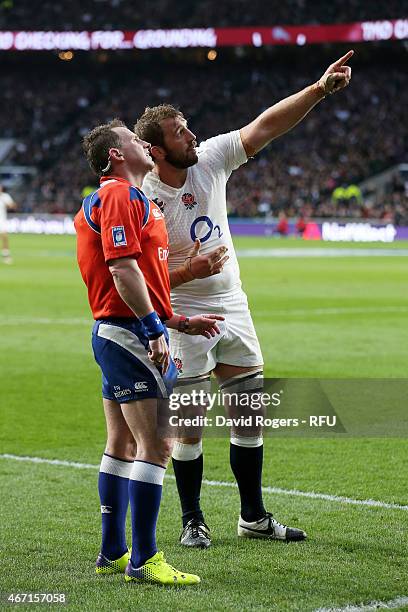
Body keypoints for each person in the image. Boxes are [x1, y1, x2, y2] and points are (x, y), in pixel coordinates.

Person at [135, 50, 354, 548]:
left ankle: (252, 516)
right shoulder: (144, 199)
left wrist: (318, 90)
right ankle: (192, 519)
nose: (192, 136)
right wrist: (189, 268)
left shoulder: (209, 160)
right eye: (180, 133)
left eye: (189, 127)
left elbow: (264, 128)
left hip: (231, 303)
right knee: (189, 428)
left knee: (249, 413)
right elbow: (139, 278)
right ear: (156, 150)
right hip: (183, 316)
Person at [74, 119, 225, 585]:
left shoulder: (129, 199)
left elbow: (141, 276)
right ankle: (144, 559)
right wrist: (153, 327)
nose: (143, 144)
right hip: (129, 334)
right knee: (157, 445)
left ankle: (114, 552)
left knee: (121, 443)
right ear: (116, 155)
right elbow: (120, 269)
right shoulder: (118, 194)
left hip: (119, 330)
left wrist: (176, 320)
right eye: (134, 140)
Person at [0, 184, 17, 264]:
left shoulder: (5, 196)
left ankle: (6, 255)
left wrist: (8, 205)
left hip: (1, 220)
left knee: (4, 237)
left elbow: (13, 206)